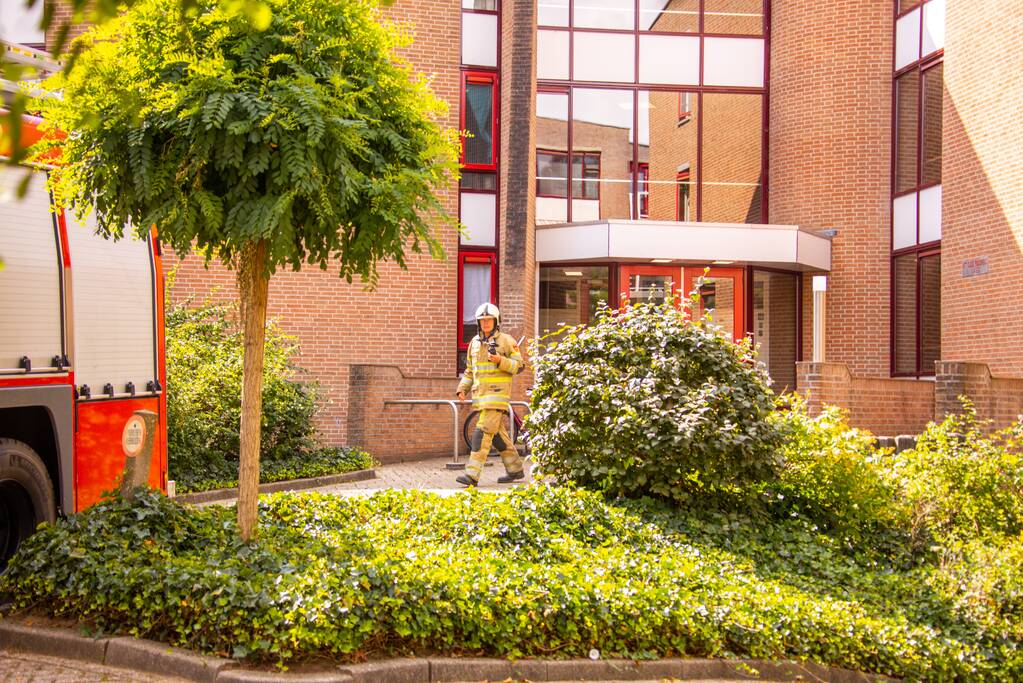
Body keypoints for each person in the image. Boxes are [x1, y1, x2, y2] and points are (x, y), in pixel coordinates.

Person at [455, 302, 525, 487]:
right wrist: (462, 388)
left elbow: (519, 365)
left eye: (489, 320)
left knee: (482, 432)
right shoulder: (474, 344)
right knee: (497, 435)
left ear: (496, 321)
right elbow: (470, 371)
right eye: (482, 321)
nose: (486, 323)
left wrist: (500, 360)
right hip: (481, 398)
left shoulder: (507, 341)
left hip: (497, 397)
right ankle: (515, 469)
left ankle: (472, 475)